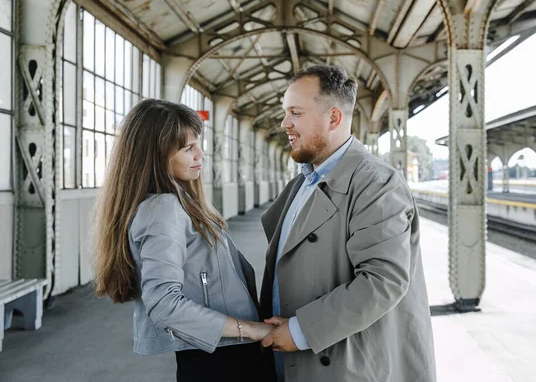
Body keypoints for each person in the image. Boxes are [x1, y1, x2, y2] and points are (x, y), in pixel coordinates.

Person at [258, 65, 437, 382]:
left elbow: (384, 280)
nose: (285, 124)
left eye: (295, 113)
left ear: (334, 118)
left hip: (345, 365)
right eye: (286, 113)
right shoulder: (304, 183)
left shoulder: (377, 184)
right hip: (296, 361)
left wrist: (300, 331)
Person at [92, 99, 275, 382]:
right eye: (188, 149)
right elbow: (163, 304)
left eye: (197, 145)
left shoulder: (180, 201)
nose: (200, 155)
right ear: (155, 155)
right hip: (221, 360)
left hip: (218, 353)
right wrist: (249, 329)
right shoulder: (162, 209)